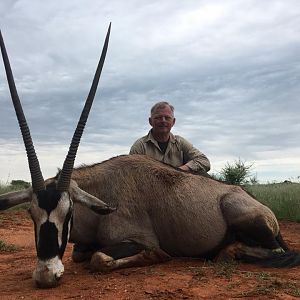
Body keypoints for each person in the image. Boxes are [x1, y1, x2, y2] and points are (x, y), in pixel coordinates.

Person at [129, 101, 210, 173]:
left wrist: (179, 171)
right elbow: (130, 172)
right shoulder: (139, 146)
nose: (163, 121)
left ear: (173, 121)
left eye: (167, 118)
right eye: (158, 118)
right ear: (150, 121)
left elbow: (204, 161)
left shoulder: (180, 142)